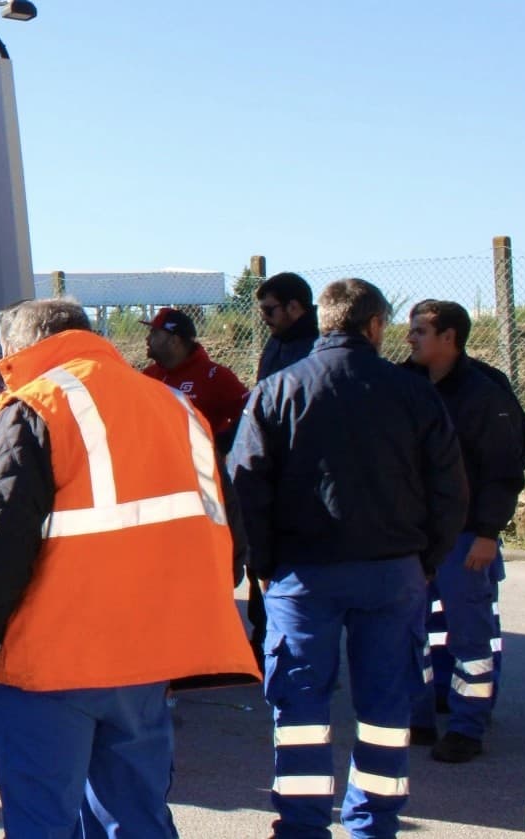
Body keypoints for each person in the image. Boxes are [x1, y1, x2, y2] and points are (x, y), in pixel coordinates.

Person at [0, 298, 257, 837]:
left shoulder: (34, 406)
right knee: (137, 816)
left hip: (50, 662)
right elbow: (226, 539)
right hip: (146, 662)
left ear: (20, 349)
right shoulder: (178, 409)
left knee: (42, 818)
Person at [228, 278, 468, 839]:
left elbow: (246, 486)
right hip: (392, 573)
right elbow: (451, 490)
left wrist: (264, 566)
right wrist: (424, 560)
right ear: (376, 326)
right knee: (386, 710)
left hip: (302, 574)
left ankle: (303, 827)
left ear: (326, 320)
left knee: (301, 712)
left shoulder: (277, 390)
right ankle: (372, 825)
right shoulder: (414, 393)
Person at [403, 299, 525, 762]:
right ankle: (417, 719)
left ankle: (466, 727)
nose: (410, 338)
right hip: (414, 536)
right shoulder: (404, 384)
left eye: (420, 331)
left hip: (464, 537)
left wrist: (485, 531)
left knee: (470, 636)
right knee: (410, 632)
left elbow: (504, 468)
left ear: (449, 339)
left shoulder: (484, 393)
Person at [247, 272, 322, 658]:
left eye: (270, 309)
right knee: (261, 556)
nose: (265, 317)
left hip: (299, 476)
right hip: (270, 470)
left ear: (296, 307)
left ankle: (292, 642)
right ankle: (264, 636)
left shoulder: (313, 349)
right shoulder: (277, 345)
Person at [139, 307, 249, 451]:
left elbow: (251, 414)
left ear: (174, 340)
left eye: (154, 333)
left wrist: (221, 443)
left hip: (200, 469)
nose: (147, 339)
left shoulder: (214, 376)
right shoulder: (149, 375)